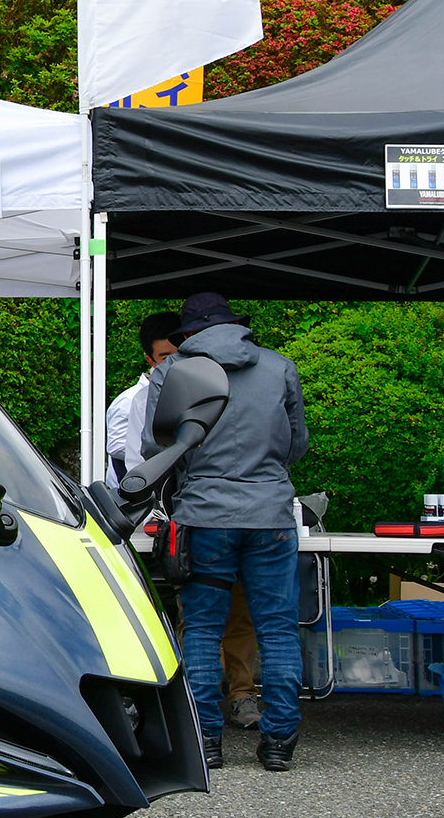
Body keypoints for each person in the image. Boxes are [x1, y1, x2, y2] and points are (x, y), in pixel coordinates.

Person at [144, 292, 308, 772]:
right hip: (271, 515)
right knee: (277, 630)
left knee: (201, 629)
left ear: (188, 334)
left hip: (204, 514)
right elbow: (296, 445)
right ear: (236, 326)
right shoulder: (280, 367)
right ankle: (278, 744)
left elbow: (158, 442)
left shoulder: (171, 372)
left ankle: (205, 741)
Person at [104, 311, 180, 486]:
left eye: (181, 353)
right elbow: (117, 448)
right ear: (151, 360)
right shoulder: (132, 402)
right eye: (166, 357)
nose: (176, 362)